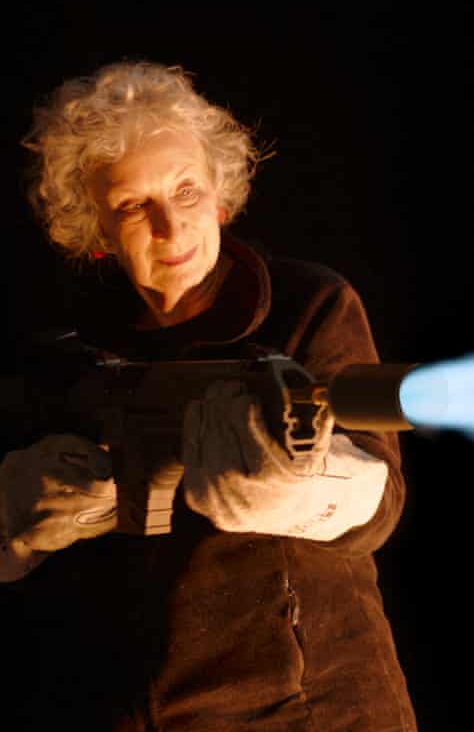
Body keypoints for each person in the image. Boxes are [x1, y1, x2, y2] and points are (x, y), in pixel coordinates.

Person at [0, 61, 417, 730]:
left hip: (309, 709)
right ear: (96, 229)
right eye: (134, 205)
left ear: (220, 194)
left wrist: (304, 489)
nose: (170, 225)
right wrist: (20, 518)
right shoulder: (65, 354)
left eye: (186, 190)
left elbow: (382, 507)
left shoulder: (308, 304)